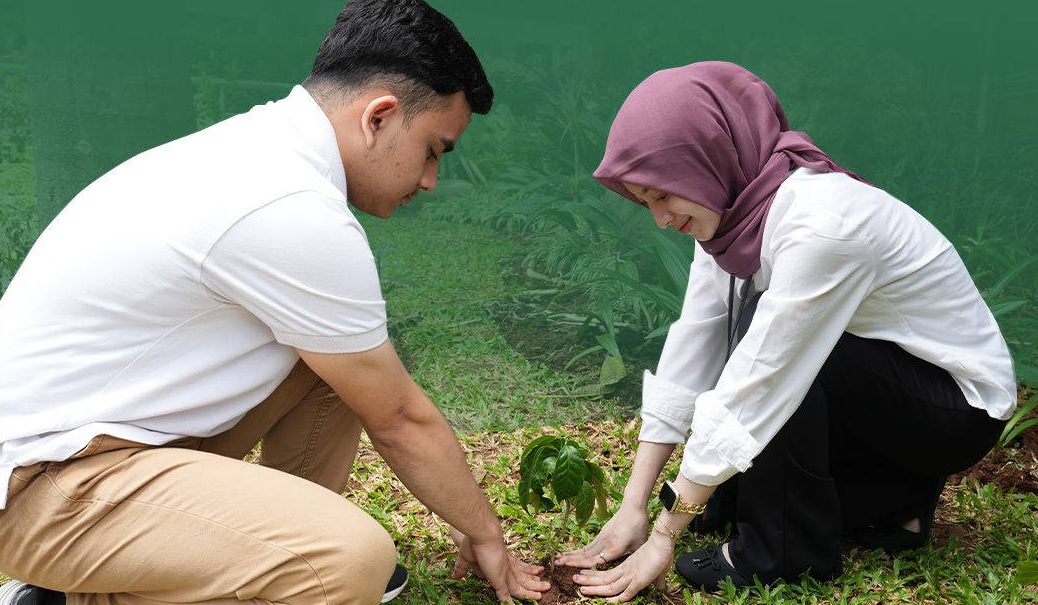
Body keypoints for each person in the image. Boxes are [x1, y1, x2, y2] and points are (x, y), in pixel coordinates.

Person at [0, 1, 551, 604]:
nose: (429, 180)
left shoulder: (252, 152)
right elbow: (399, 420)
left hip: (104, 444)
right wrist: (487, 536)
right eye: (433, 150)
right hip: (42, 484)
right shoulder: (286, 206)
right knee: (345, 562)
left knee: (338, 364)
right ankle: (84, 594)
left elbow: (374, 391)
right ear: (380, 117)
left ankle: (254, 554)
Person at [554, 61, 1017, 600]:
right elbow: (696, 341)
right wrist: (634, 506)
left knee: (764, 333)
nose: (660, 218)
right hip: (883, 391)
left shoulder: (825, 225)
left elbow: (767, 375)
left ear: (708, 158)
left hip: (953, 410)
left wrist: (663, 535)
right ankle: (896, 507)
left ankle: (784, 554)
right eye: (644, 201)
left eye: (662, 195)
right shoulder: (734, 215)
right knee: (725, 491)